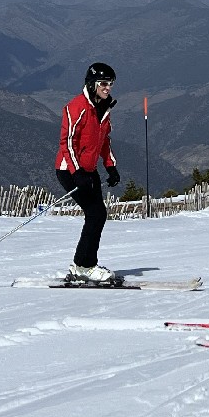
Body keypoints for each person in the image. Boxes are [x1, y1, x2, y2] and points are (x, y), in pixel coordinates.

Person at [54, 62, 120, 283]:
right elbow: (67, 143)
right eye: (104, 83)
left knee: (98, 214)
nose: (108, 88)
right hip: (69, 169)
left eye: (110, 84)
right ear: (92, 84)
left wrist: (110, 166)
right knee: (95, 213)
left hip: (88, 170)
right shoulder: (77, 107)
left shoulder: (103, 109)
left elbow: (104, 141)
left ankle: (81, 265)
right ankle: (85, 266)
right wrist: (77, 173)